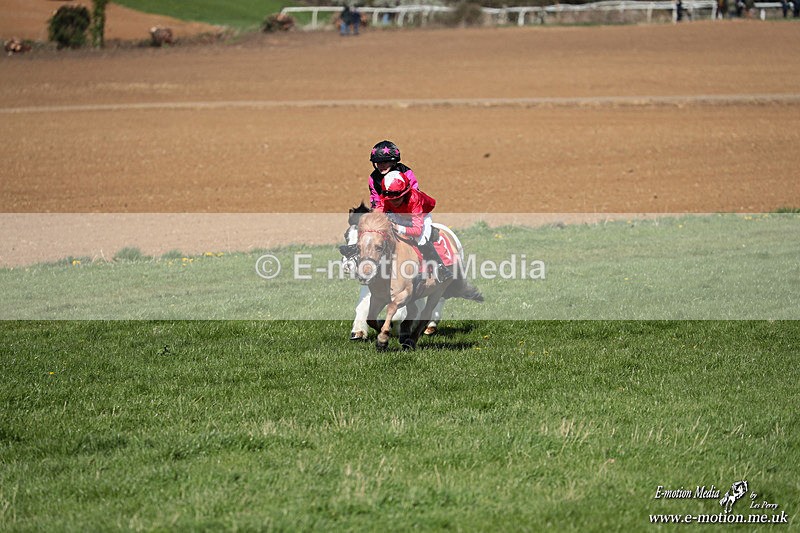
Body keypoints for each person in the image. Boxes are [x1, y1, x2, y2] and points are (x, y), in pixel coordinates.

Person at [375, 171, 453, 283]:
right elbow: (378, 213)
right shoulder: (386, 198)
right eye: (390, 200)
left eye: (397, 198)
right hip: (400, 215)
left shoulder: (414, 199)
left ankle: (440, 269)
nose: (394, 202)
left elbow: (416, 230)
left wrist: (399, 228)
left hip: (421, 216)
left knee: (421, 240)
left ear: (405, 193)